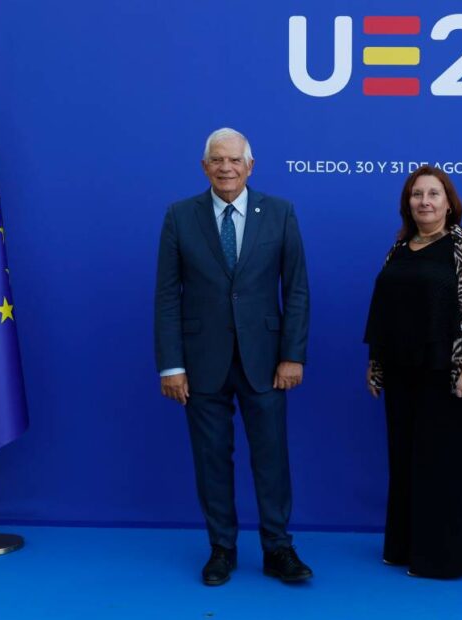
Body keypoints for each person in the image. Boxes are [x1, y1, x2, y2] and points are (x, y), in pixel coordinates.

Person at [154, 127, 312, 586]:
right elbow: (167, 295)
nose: (226, 168)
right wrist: (172, 364)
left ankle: (278, 548)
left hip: (266, 361)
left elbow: (296, 289)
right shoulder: (180, 216)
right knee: (211, 459)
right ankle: (221, 548)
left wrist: (292, 355)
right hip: (200, 363)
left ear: (250, 166)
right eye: (217, 161)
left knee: (272, 458)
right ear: (205, 167)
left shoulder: (280, 213)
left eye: (234, 160)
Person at [364, 165, 462, 579]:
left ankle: (441, 558)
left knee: (442, 465)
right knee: (405, 459)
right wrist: (376, 366)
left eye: (433, 194)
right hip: (401, 372)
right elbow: (383, 312)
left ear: (448, 201)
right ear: (408, 203)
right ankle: (404, 547)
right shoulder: (399, 248)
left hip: (450, 372)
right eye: (417, 194)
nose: (424, 201)